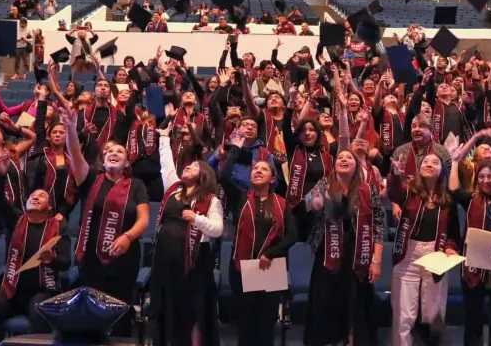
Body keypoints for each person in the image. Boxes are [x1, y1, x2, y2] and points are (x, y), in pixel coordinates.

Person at [61, 105, 150, 337]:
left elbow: (143, 220)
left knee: (120, 312)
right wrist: (70, 127)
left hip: (125, 257)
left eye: (120, 151)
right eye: (109, 151)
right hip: (91, 258)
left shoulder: (137, 185)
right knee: (91, 315)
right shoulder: (90, 178)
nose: (113, 152)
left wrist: (127, 236)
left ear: (127, 163)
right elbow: (74, 153)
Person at [0, 186, 71, 346]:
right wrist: (1, 176)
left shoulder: (58, 226)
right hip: (12, 288)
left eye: (41, 196)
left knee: (39, 312)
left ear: (50, 207)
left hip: (42, 289)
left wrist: (52, 259)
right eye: (32, 195)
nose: (35, 197)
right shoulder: (16, 221)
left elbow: (66, 263)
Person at [150, 127, 223, 345]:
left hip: (194, 264)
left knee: (192, 313)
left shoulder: (211, 200)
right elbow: (166, 165)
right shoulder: (173, 188)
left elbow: (217, 229)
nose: (187, 167)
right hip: (164, 260)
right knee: (165, 309)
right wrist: (163, 137)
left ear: (203, 175)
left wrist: (197, 219)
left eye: (193, 166)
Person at [304, 149, 385, 346]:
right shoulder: (324, 184)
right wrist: (314, 203)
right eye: (340, 157)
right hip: (328, 258)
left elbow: (379, 226)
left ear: (356, 165)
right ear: (334, 165)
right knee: (326, 309)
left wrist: (376, 260)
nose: (344, 159)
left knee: (355, 310)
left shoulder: (368, 189)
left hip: (359, 257)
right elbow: (308, 202)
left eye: (349, 157)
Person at [221, 155, 297, 346]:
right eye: (255, 169)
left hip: (269, 267)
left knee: (266, 322)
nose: (258, 171)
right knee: (246, 322)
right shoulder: (240, 196)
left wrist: (270, 253)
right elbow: (222, 177)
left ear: (273, 179)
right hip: (242, 266)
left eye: (264, 169)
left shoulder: (282, 203)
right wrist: (236, 150)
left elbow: (292, 235)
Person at [387, 151, 460, 345]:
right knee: (404, 315)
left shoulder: (447, 200)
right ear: (419, 169)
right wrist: (395, 174)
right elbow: (393, 192)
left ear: (441, 170)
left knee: (433, 314)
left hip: (435, 254)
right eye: (425, 161)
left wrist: (451, 248)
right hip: (407, 255)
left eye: (435, 162)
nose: (429, 164)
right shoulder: (409, 191)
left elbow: (453, 232)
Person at [450, 154, 491, 346]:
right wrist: (454, 162)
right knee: (473, 321)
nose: (486, 181)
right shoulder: (471, 199)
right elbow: (453, 190)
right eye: (482, 176)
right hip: (474, 268)